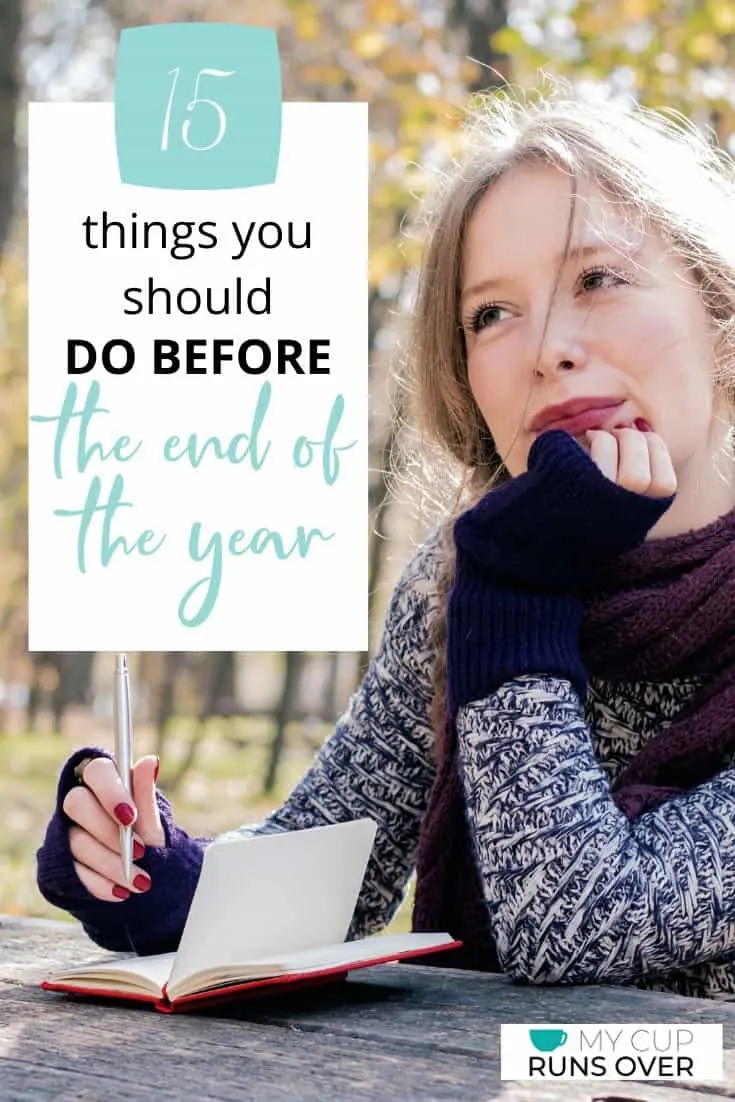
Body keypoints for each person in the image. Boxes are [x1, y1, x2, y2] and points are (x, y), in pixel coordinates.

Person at [37, 78, 735, 1000]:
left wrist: (518, 591)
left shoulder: (495, 575)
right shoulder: (458, 580)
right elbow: (327, 874)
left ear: (717, 306)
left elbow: (575, 925)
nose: (547, 347)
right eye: (491, 313)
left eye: (598, 278)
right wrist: (151, 876)